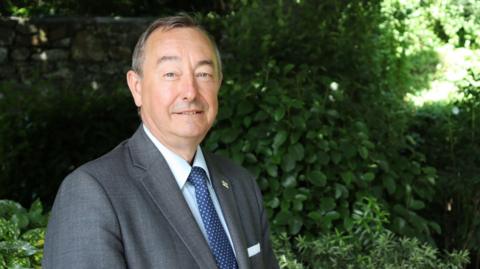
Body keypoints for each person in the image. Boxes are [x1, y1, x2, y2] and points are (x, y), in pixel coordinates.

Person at [42, 15, 279, 269]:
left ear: (218, 84)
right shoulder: (92, 193)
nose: (190, 91)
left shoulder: (241, 184)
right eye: (170, 74)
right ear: (136, 87)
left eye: (203, 73)